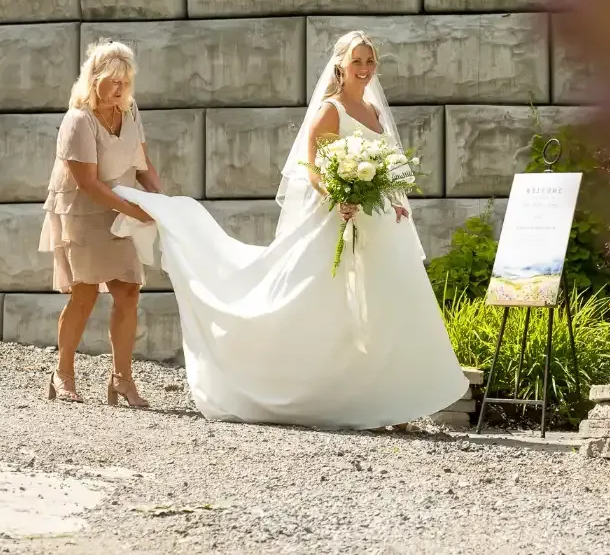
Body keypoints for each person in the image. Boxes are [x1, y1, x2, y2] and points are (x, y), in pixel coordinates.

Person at [119, 31, 468, 428]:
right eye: (358, 61)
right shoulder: (330, 111)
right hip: (338, 220)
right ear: (340, 65)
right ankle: (327, 396)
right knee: (329, 308)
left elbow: (387, 168)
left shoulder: (372, 110)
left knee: (386, 307)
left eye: (370, 62)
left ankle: (392, 402)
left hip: (379, 226)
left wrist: (396, 204)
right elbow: (314, 170)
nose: (365, 69)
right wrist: (341, 197)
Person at [39, 40, 164, 408]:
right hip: (83, 212)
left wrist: (162, 202)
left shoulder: (130, 111)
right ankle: (63, 372)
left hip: (121, 209)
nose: (120, 88)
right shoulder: (78, 120)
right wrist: (138, 211)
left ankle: (121, 380)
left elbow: (143, 166)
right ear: (94, 80)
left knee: (128, 292)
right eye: (113, 81)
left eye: (126, 81)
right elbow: (88, 183)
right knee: (86, 293)